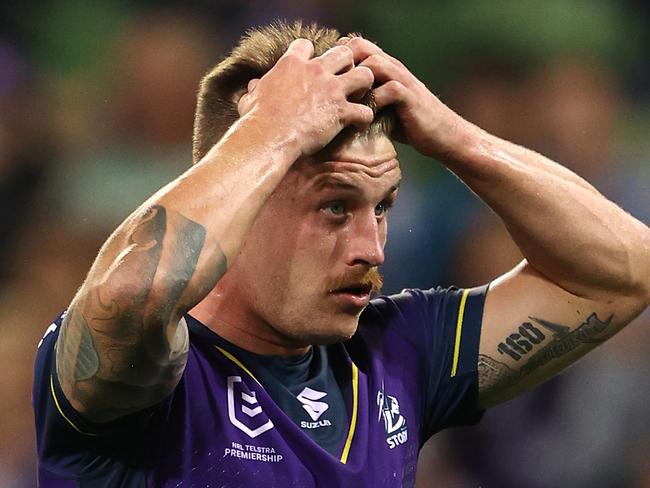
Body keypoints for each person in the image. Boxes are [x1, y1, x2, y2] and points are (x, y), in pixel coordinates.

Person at [32, 21, 649, 487]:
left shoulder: (396, 355)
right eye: (335, 206)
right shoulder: (146, 375)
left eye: (382, 206)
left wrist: (456, 137)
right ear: (246, 193)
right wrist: (272, 132)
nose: (372, 247)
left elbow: (619, 274)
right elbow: (131, 294)